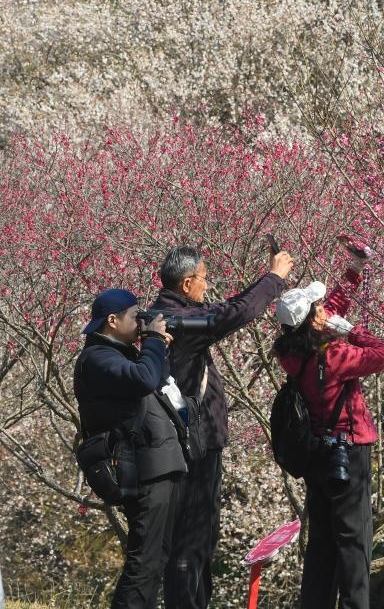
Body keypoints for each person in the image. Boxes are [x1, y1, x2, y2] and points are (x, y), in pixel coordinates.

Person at [152, 245, 294, 609]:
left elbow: (228, 308)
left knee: (193, 539)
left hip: (182, 443)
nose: (207, 283)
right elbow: (235, 315)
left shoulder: (166, 314)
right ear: (186, 283)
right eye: (202, 277)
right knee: (193, 537)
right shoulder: (179, 322)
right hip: (195, 445)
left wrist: (266, 280)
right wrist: (274, 278)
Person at [272, 244, 384, 609]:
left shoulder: (290, 352)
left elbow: (324, 312)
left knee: (322, 542)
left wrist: (353, 272)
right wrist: (350, 329)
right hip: (349, 452)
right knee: (355, 541)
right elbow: (382, 355)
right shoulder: (335, 355)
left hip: (318, 455)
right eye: (319, 308)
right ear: (314, 321)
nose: (326, 310)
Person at [74, 289, 186, 609]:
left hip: (155, 461)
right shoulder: (96, 358)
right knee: (144, 563)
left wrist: (157, 346)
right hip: (140, 467)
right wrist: (151, 341)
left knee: (154, 560)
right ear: (112, 321)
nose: (141, 323)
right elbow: (143, 380)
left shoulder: (119, 354)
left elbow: (158, 384)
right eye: (135, 316)